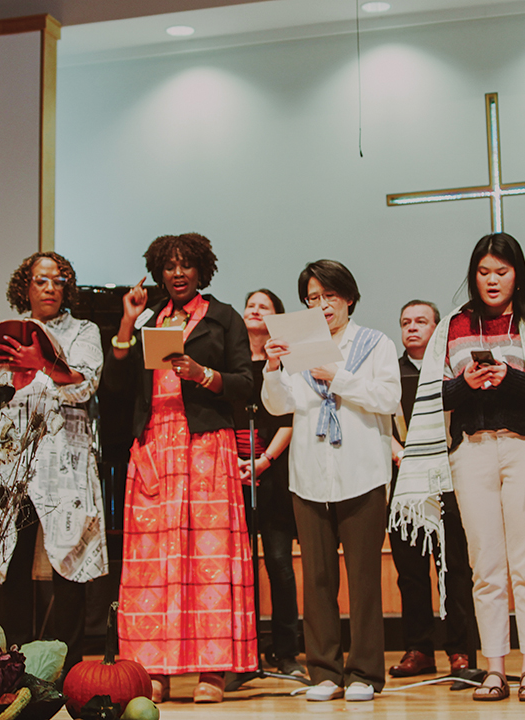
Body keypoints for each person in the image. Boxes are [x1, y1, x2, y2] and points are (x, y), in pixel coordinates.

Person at [390, 233, 525, 703]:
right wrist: (466, 383)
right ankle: (494, 668)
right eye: (484, 272)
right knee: (484, 565)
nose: (492, 280)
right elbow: (432, 399)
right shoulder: (453, 326)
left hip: (522, 448)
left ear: (517, 275)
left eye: (501, 272)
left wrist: (512, 379)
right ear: (473, 275)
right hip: (471, 450)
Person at [108, 233, 256, 704]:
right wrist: (128, 323)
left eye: (186, 265)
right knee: (154, 567)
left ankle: (212, 672)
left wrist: (204, 375)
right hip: (155, 446)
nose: (177, 273)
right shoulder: (149, 320)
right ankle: (154, 669)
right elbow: (114, 386)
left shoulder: (223, 317)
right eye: (169, 266)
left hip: (206, 445)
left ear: (201, 270)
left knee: (207, 563)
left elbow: (246, 384)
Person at [261, 260, 400, 703]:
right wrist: (273, 366)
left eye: (329, 297)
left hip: (362, 473)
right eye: (312, 299)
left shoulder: (375, 343)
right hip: (309, 475)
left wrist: (336, 375)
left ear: (349, 298)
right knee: (317, 578)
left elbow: (388, 397)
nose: (321, 306)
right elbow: (280, 405)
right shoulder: (301, 344)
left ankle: (364, 674)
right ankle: (324, 671)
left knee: (362, 580)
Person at [0, 251, 107, 673]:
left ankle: (66, 669)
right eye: (40, 281)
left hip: (64, 457)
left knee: (66, 563)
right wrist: (1, 383)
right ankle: (11, 664)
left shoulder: (83, 330)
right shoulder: (10, 332)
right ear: (27, 287)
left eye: (57, 281)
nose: (49, 287)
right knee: (9, 562)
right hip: (15, 457)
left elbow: (85, 384)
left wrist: (45, 365)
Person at [387, 300, 477, 677]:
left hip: (449, 478)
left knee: (454, 567)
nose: (412, 328)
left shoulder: (453, 369)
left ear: (438, 328)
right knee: (409, 572)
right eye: (406, 322)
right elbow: (379, 423)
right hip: (404, 480)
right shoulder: (389, 372)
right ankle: (419, 649)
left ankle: (461, 651)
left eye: (421, 321)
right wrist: (399, 453)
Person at [230, 288, 302, 681]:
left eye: (265, 306)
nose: (255, 310)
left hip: (273, 473)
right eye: (250, 305)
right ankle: (245, 656)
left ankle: (288, 652)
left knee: (278, 564)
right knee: (241, 570)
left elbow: (291, 419)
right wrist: (238, 463)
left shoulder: (286, 365)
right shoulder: (232, 363)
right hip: (233, 472)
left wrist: (263, 461)